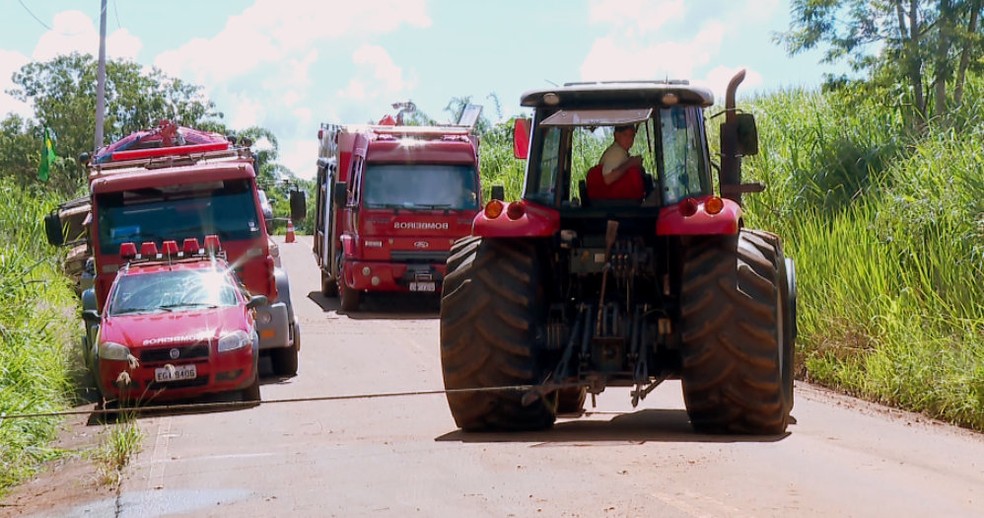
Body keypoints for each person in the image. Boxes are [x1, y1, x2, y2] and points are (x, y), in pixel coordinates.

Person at [585, 124, 646, 200]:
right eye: (625, 135)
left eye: (632, 136)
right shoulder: (617, 152)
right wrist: (631, 163)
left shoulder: (620, 152)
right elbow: (608, 179)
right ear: (616, 135)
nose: (629, 139)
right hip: (617, 203)